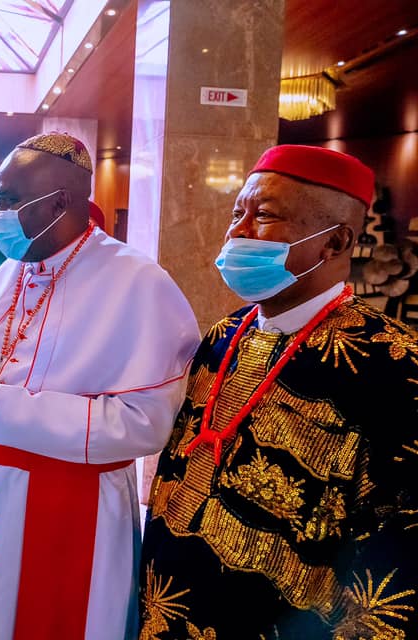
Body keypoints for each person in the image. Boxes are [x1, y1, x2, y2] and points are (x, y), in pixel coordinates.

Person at [0, 132, 200, 640]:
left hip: (73, 512)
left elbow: (147, 424)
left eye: (8, 199)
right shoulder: (8, 274)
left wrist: (1, 407)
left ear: (62, 201)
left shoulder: (137, 280)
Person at [139, 145, 418, 638]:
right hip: (172, 612)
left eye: (263, 215)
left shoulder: (393, 361)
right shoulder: (226, 333)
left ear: (334, 243)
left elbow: (400, 537)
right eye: (236, 213)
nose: (237, 231)